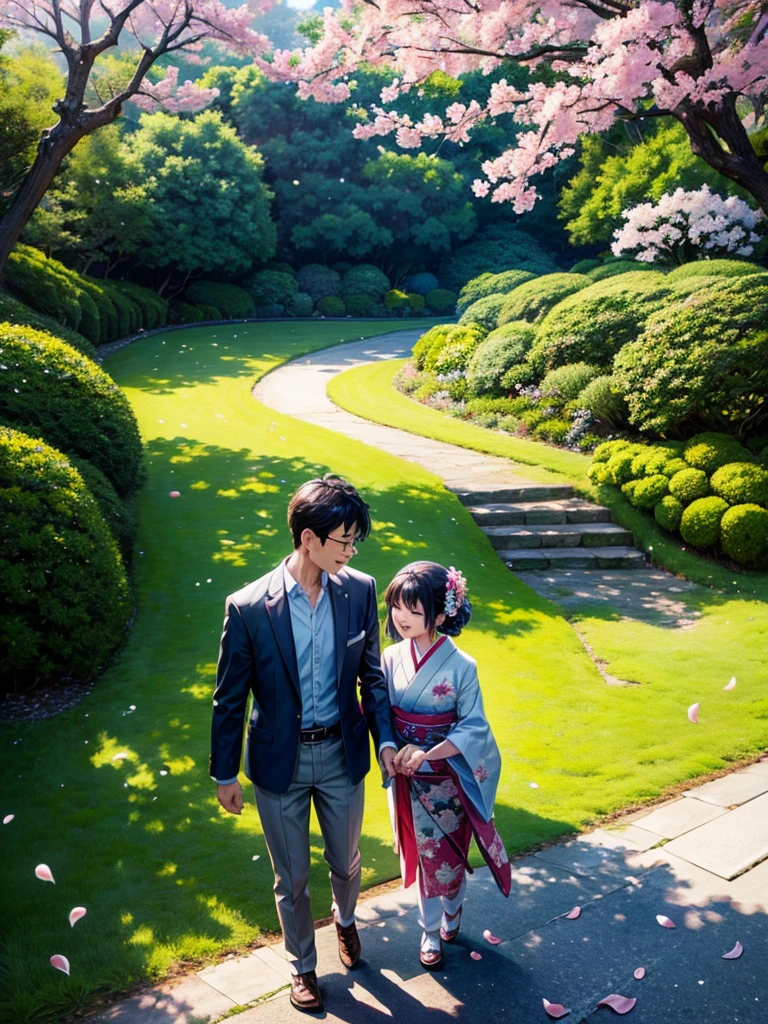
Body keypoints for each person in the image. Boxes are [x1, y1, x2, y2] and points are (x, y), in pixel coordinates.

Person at [210, 475, 397, 1014]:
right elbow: (230, 698)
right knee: (290, 878)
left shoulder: (359, 590)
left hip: (342, 755)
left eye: (354, 540)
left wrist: (384, 741)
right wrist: (225, 774)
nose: (352, 549)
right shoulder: (247, 608)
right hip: (278, 765)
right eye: (344, 540)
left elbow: (372, 679)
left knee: (346, 861)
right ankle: (303, 968)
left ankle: (345, 918)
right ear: (308, 539)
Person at [381, 561, 511, 970]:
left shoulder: (462, 666)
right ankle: (429, 929)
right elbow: (380, 713)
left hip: (448, 777)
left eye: (413, 610)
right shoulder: (389, 658)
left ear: (439, 615)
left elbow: (473, 728)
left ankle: (452, 909)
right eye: (396, 607)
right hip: (406, 775)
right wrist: (392, 748)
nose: (401, 617)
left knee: (448, 857)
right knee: (422, 855)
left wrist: (428, 753)